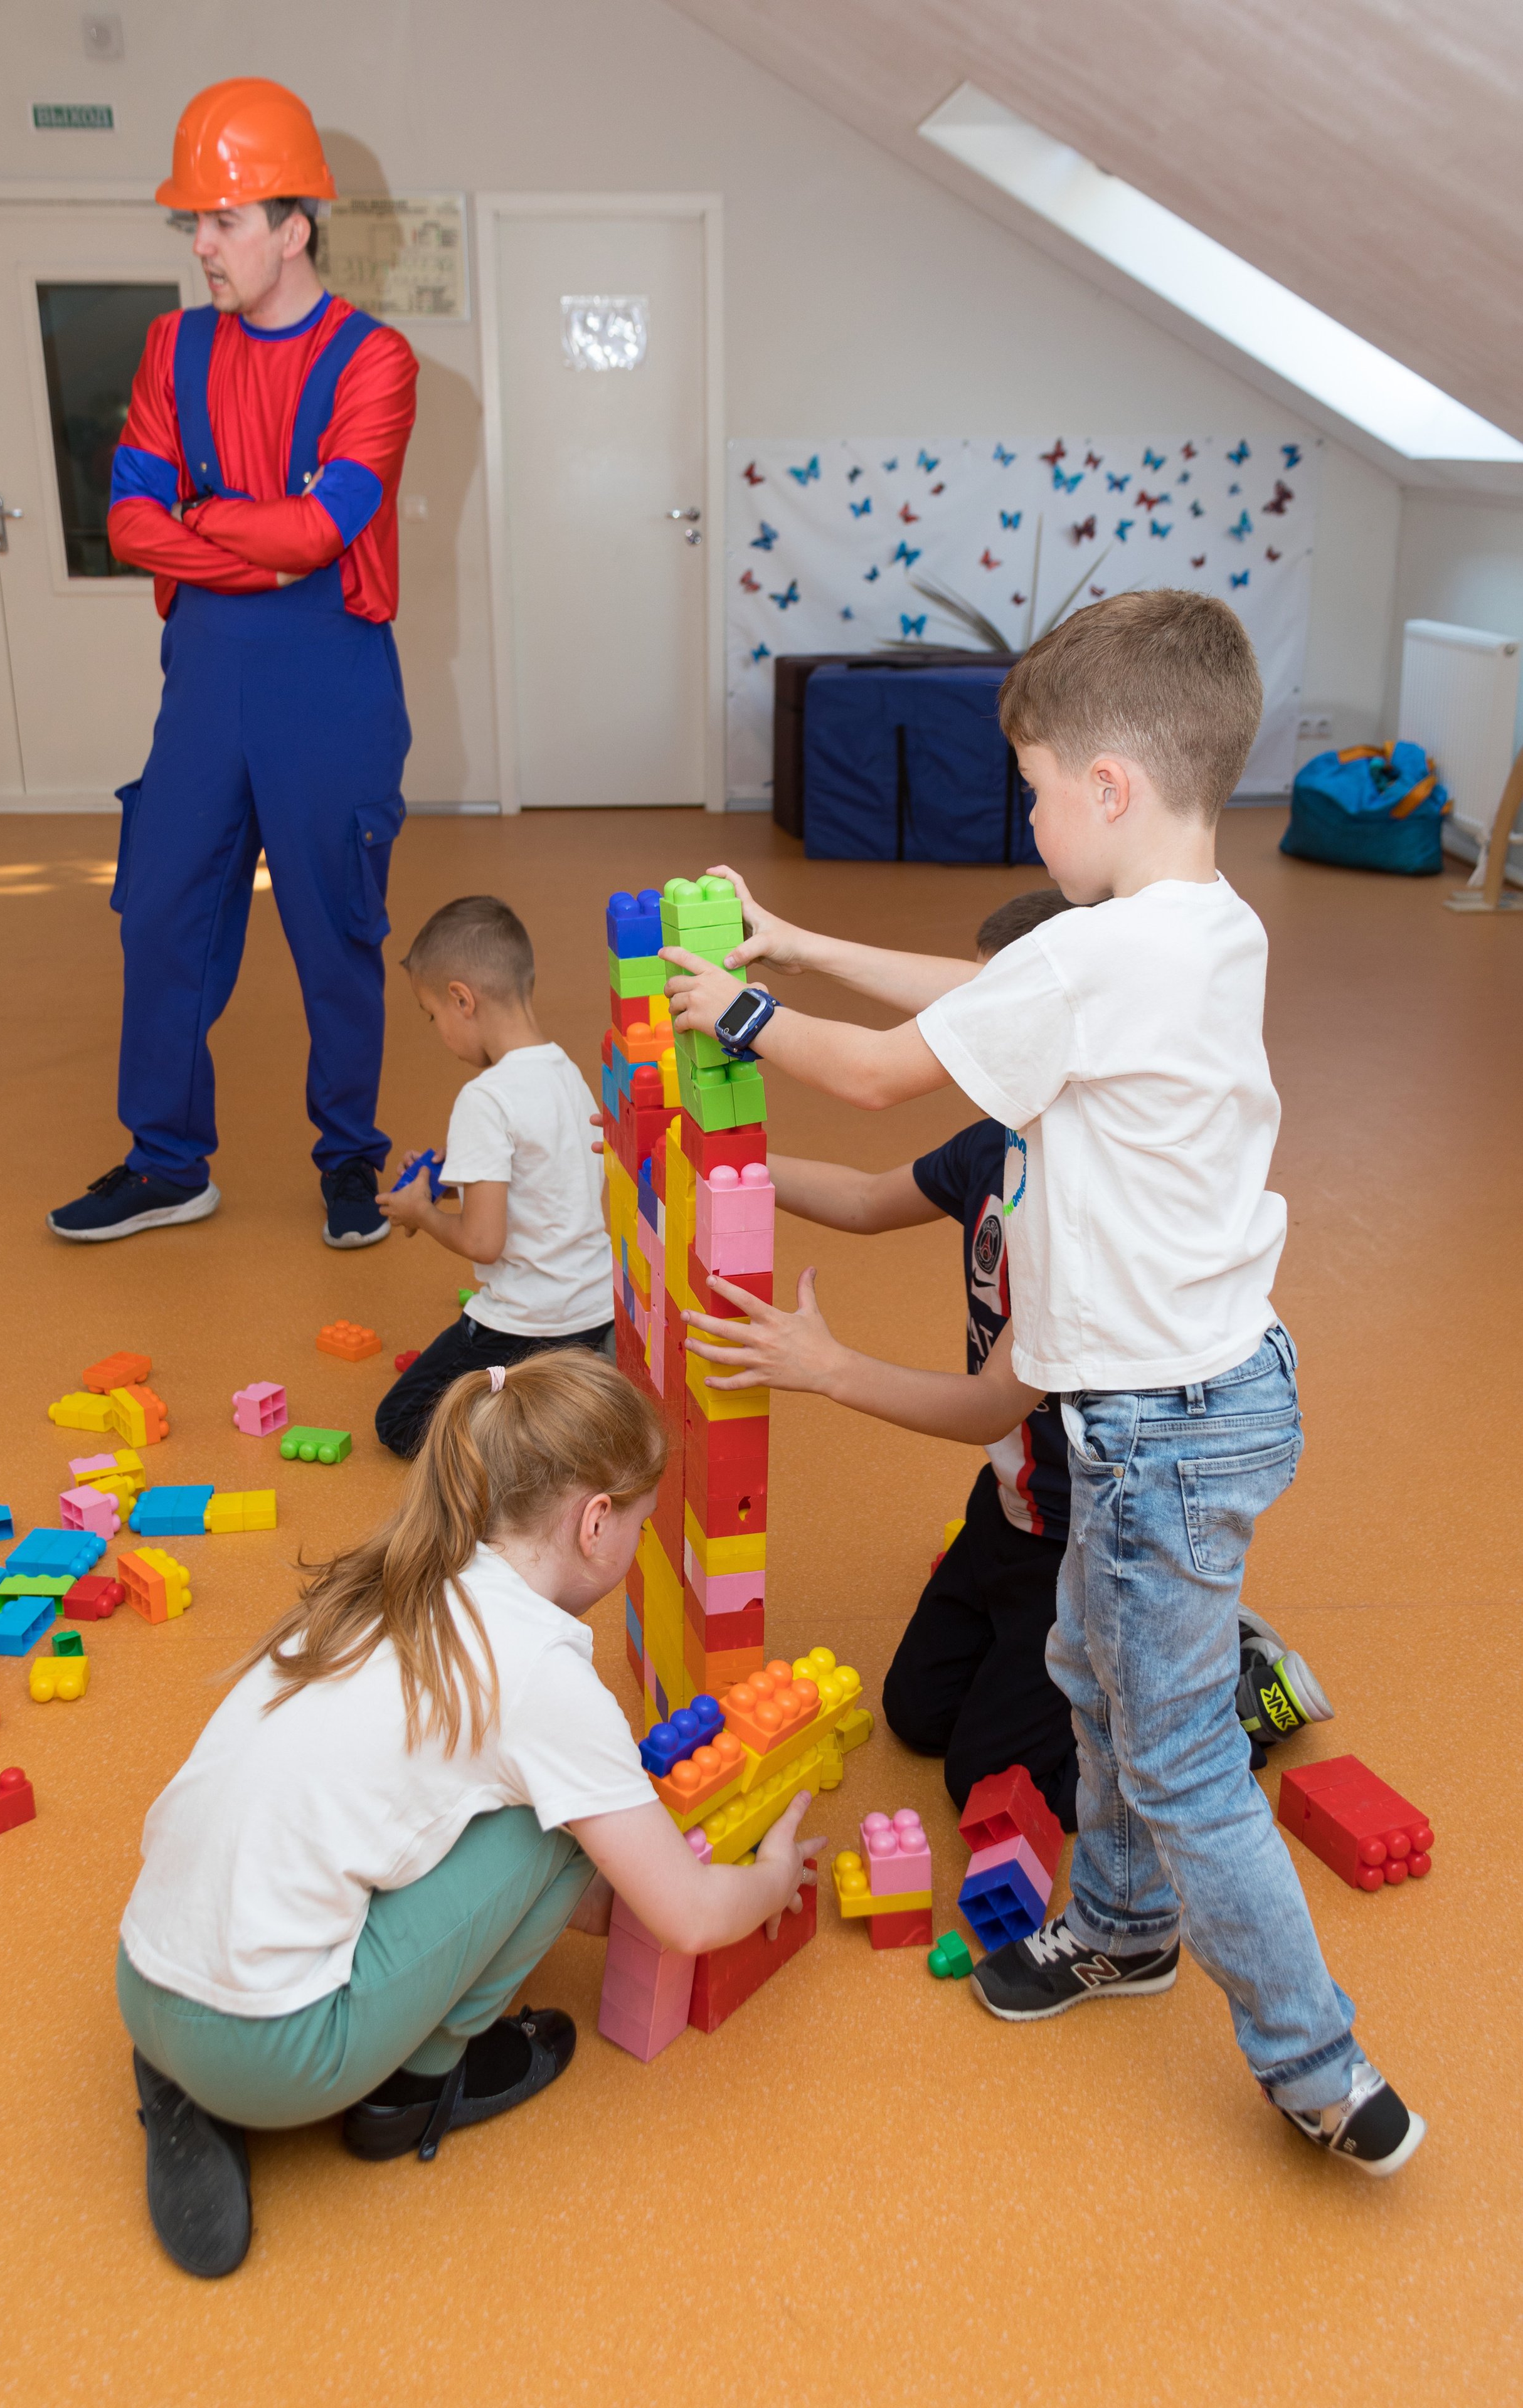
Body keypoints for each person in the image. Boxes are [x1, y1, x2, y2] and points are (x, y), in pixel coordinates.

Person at [665, 590, 1424, 2178]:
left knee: (1177, 1758)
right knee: (1085, 1669)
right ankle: (1122, 1928)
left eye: (1030, 789)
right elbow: (988, 993)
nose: (1023, 819)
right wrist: (802, 940)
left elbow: (882, 1069)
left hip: (1149, 1436)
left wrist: (738, 1006)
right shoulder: (1208, 924)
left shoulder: (1095, 959)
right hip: (1214, 1396)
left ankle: (1315, 2060)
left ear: (1106, 786)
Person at [117, 1349, 824, 2278]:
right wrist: (771, 1876)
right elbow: (685, 1917)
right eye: (641, 1523)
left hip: (143, 1973)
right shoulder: (540, 1676)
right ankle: (418, 2086)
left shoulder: (384, 1581)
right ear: (596, 1524)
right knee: (565, 1816)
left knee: (510, 1803)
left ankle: (187, 2073)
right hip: (274, 2054)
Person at [767, 887, 1334, 1826]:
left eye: (1004, 1014)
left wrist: (829, 1368)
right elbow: (867, 1198)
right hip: (1009, 1504)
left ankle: (1220, 1687)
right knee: (916, 1715)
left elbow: (991, 1406)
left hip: (1082, 1532)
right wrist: (732, 1171)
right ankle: (1154, 1645)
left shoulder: (1077, 1201)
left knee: (991, 1779)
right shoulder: (992, 1145)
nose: (981, 1036)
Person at [48, 79, 418, 1250]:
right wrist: (255, 541)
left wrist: (203, 517)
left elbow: (324, 532)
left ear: (293, 227)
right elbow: (130, 519)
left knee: (334, 932)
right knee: (161, 913)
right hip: (205, 681)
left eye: (223, 220)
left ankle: (349, 1160)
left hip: (332, 683)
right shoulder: (174, 347)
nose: (201, 244)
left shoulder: (375, 362)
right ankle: (168, 1165)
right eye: (193, 221)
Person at [374, 897, 615, 1457]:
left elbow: (484, 1241)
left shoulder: (485, 1097)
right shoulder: (567, 1072)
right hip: (595, 1308)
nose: (438, 1031)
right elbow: (548, 1176)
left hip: (525, 1324)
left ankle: (528, 1428)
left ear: (462, 1000)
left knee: (400, 1420)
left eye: (432, 1015)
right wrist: (456, 1176)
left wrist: (422, 1213)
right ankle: (576, 1382)